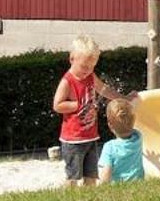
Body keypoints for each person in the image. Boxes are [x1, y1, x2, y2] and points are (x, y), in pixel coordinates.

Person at [50, 35, 106, 186]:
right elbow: (57, 105)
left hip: (91, 136)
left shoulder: (90, 76)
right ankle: (71, 200)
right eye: (84, 66)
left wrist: (123, 98)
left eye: (92, 66)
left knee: (92, 175)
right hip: (73, 139)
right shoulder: (67, 81)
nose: (88, 70)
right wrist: (79, 105)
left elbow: (104, 89)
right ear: (72, 59)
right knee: (73, 176)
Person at [97, 98, 146, 183]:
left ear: (110, 125)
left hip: (119, 186)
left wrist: (102, 185)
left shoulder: (110, 147)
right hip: (138, 183)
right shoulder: (138, 137)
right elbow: (132, 127)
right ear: (133, 120)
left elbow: (106, 173)